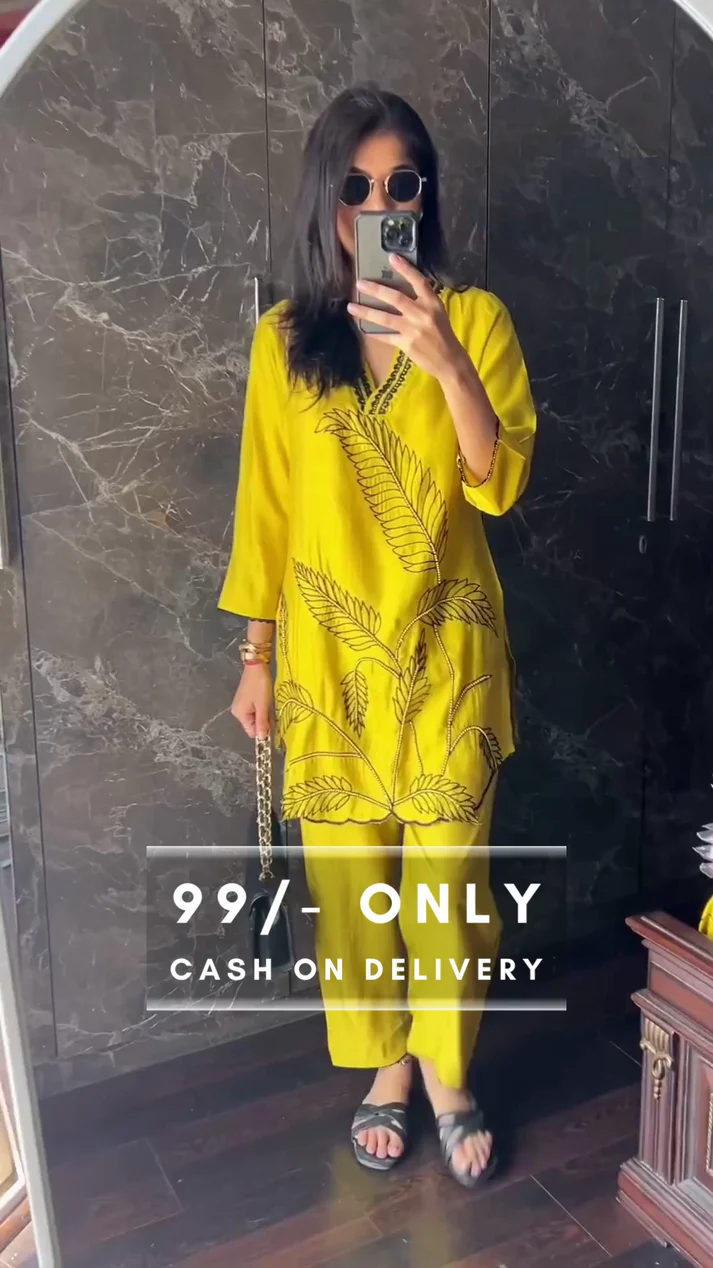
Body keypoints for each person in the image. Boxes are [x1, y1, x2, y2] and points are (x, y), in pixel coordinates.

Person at [219, 84, 536, 1188]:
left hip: (446, 657)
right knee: (356, 894)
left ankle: (448, 1073)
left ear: (425, 197)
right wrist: (255, 658)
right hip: (326, 670)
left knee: (449, 892)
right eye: (356, 185)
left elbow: (496, 483)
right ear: (327, 199)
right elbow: (264, 510)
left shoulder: (476, 321)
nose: (380, 203)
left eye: (403, 183)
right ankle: (387, 1069)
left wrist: (444, 358)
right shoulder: (282, 340)